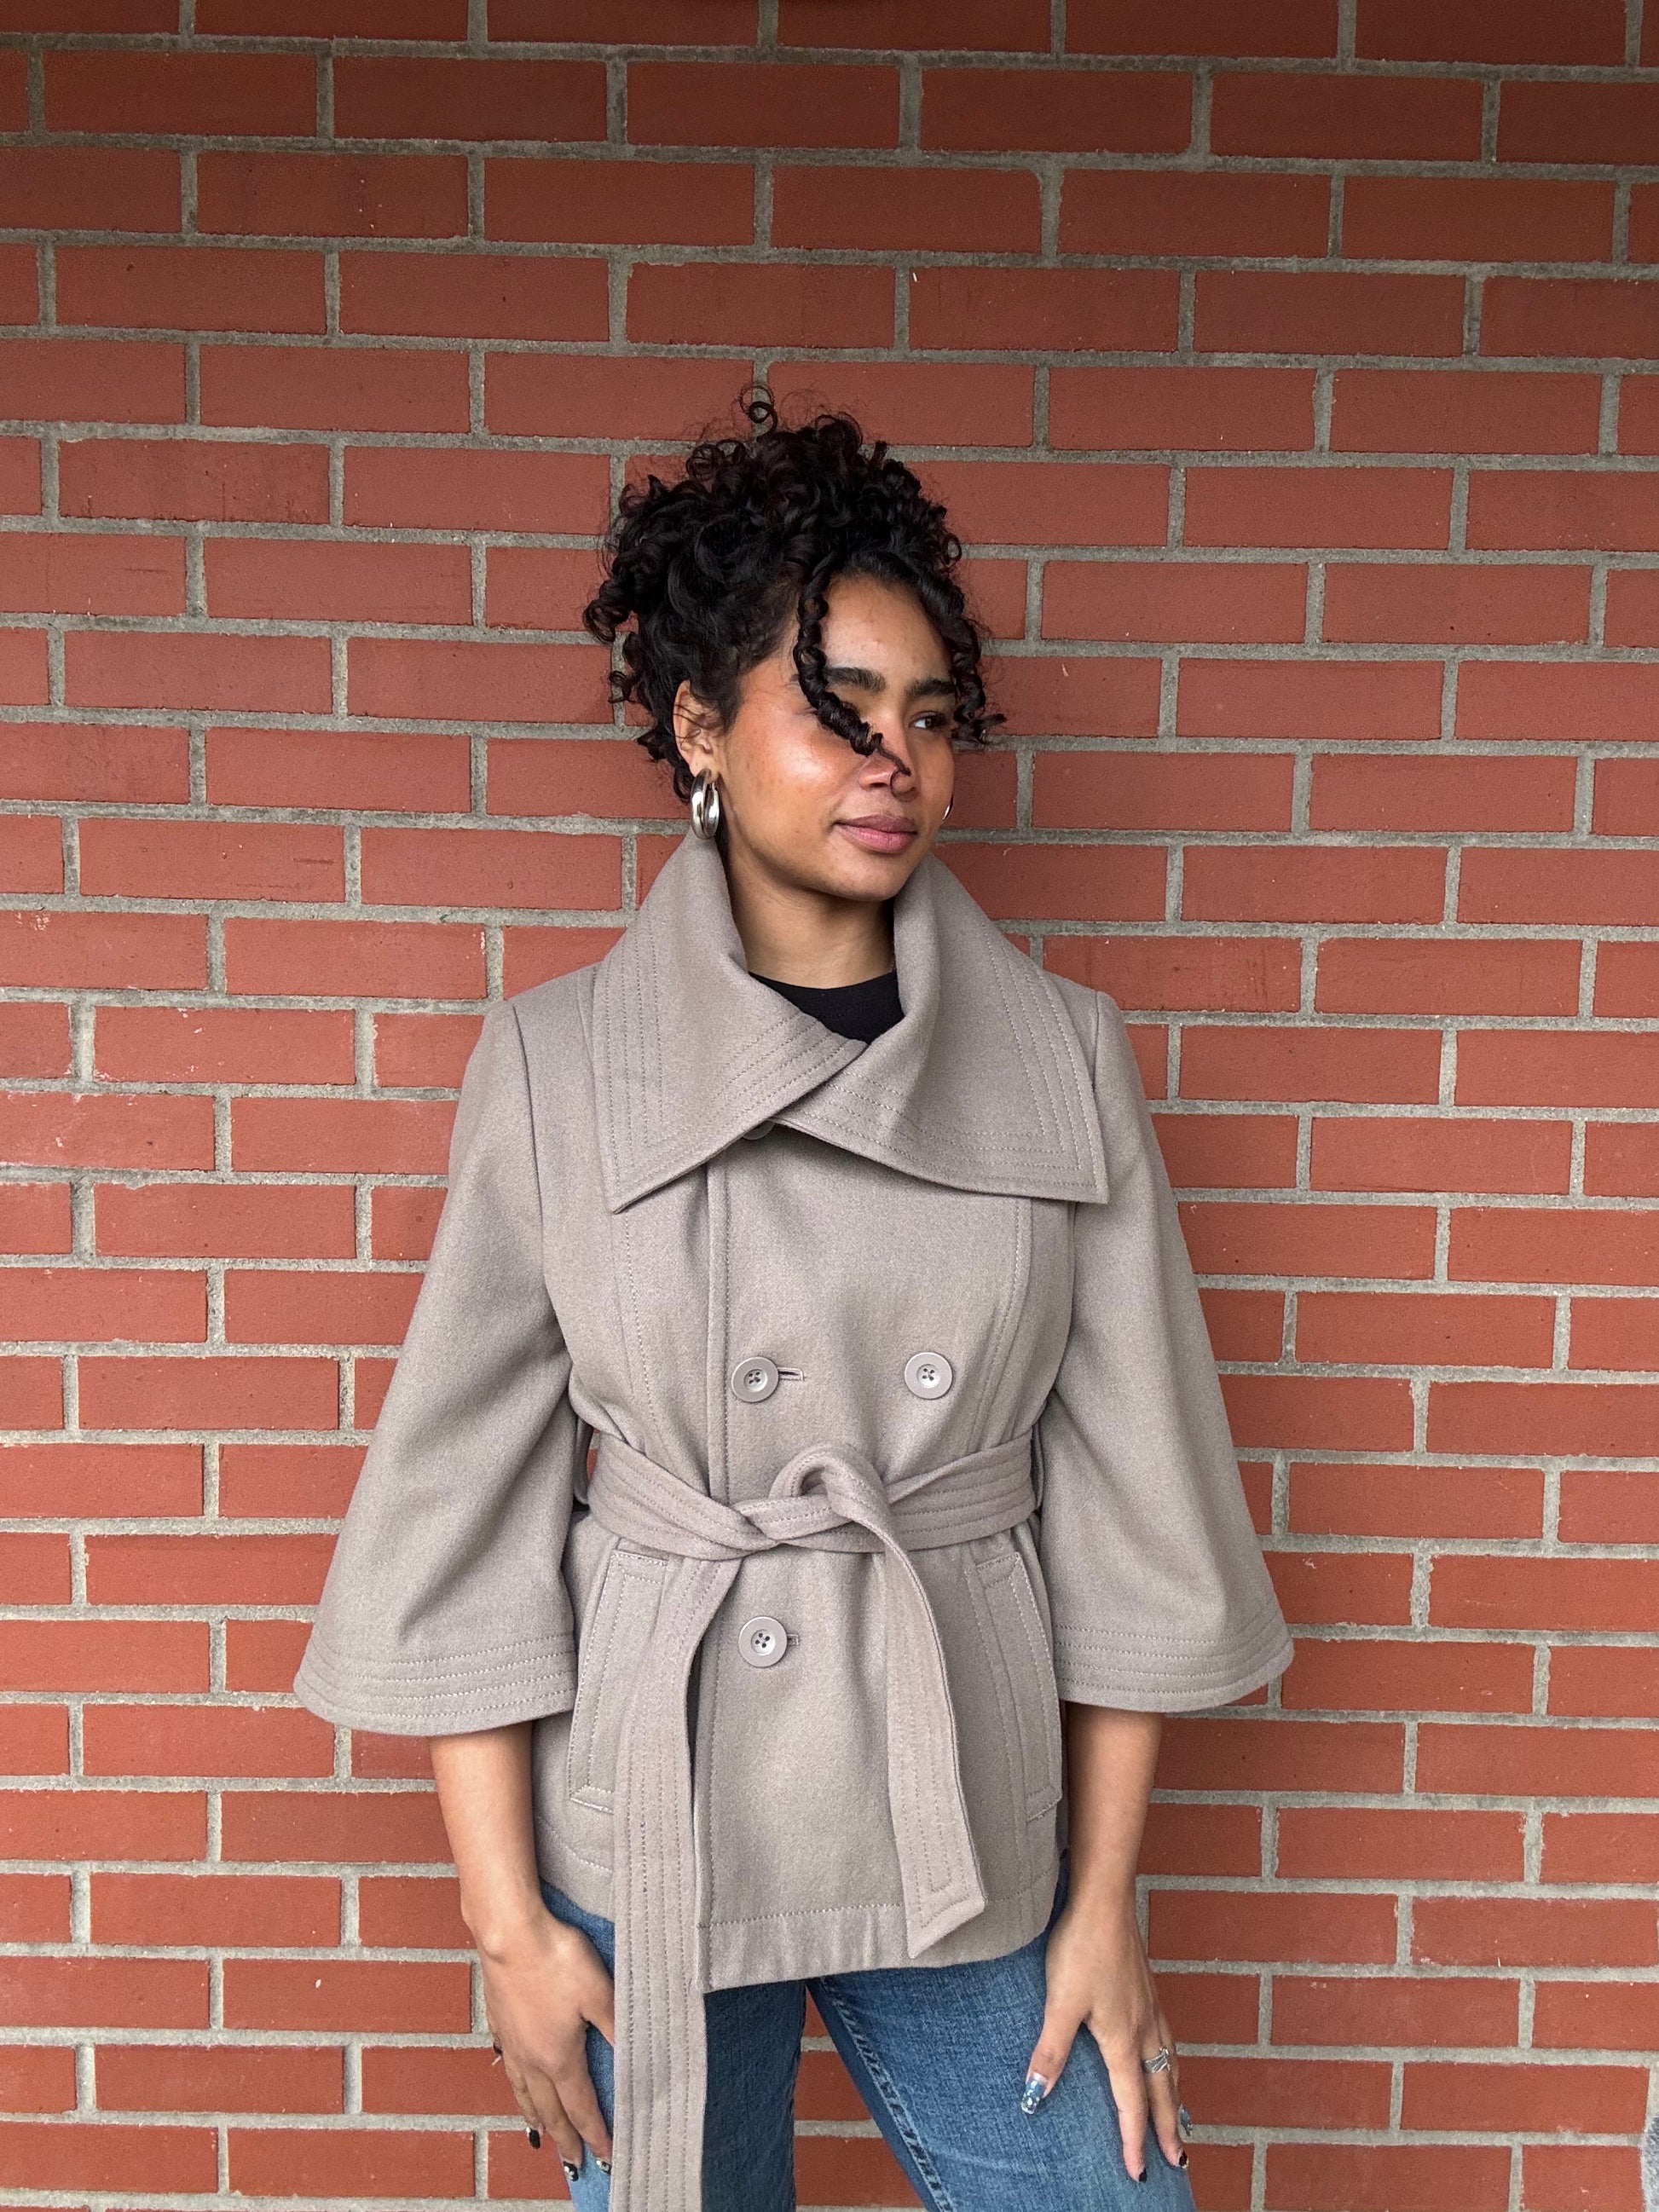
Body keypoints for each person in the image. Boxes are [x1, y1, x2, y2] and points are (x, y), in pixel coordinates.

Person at [293, 392, 1296, 2212]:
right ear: (698, 726)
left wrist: (1104, 1906)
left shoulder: (1062, 1059)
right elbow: (459, 1519)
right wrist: (507, 1925)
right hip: (660, 1809)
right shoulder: (561, 1068)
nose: (890, 758)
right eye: (835, 707)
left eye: (927, 716)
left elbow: (1138, 1515)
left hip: (964, 1799)